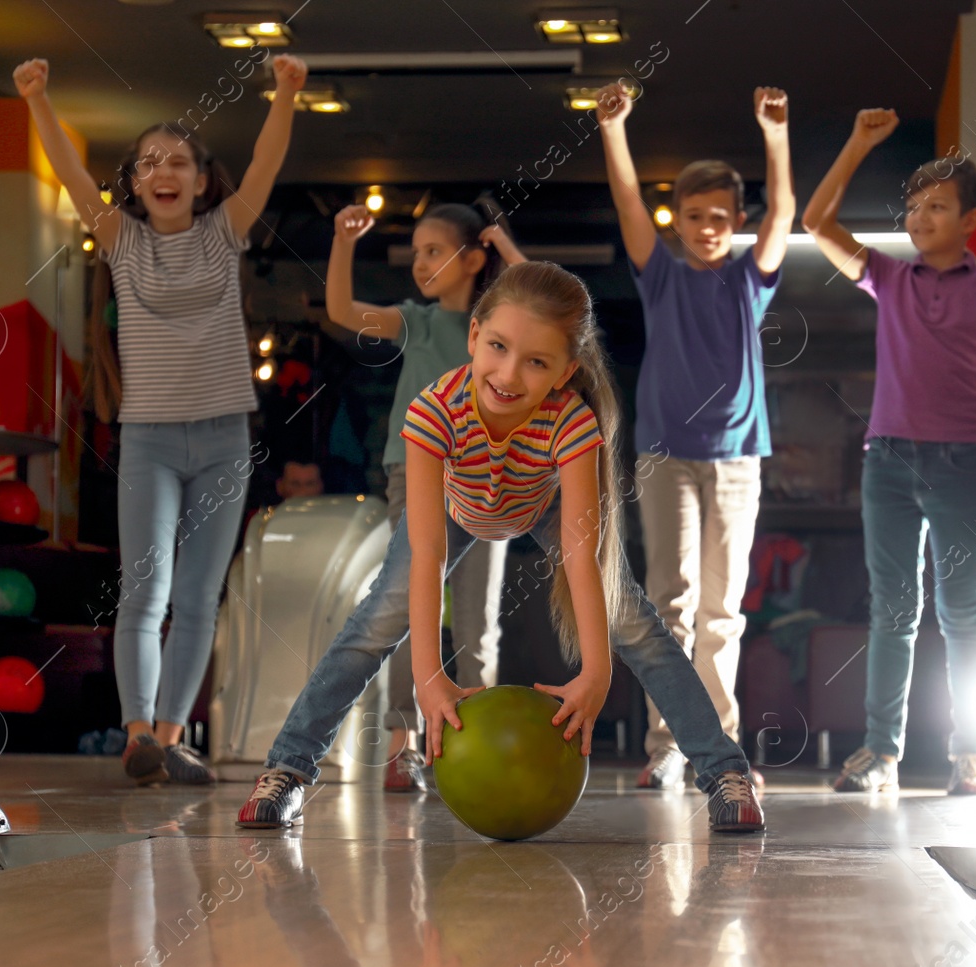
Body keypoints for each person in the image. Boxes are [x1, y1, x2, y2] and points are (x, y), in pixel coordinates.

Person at [237, 262, 765, 833]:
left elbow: (582, 554)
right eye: (498, 346)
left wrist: (596, 671)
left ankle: (724, 774)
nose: (509, 373)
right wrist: (429, 677)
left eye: (536, 361)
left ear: (566, 371)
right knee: (370, 626)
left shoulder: (571, 421)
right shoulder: (433, 413)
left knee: (638, 624)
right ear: (474, 336)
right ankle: (287, 770)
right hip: (452, 510)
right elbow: (427, 554)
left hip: (542, 506)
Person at [14, 53, 306, 787]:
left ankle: (171, 737)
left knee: (198, 597)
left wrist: (285, 96)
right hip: (147, 437)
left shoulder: (222, 233)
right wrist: (38, 101)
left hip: (222, 437)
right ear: (136, 185)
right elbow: (70, 174)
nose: (164, 171)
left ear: (202, 181)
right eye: (149, 163)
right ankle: (137, 729)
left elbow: (267, 165)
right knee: (144, 590)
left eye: (179, 161)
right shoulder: (122, 241)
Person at [801, 108, 976, 795]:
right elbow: (815, 225)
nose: (920, 219)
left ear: (970, 220)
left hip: (960, 465)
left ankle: (973, 754)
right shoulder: (889, 278)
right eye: (914, 207)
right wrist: (858, 142)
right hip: (885, 461)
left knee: (962, 609)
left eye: (937, 207)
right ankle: (881, 754)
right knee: (892, 608)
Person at [595, 83, 794, 791]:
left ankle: (721, 746)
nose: (707, 226)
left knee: (722, 610)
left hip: (738, 458)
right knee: (670, 602)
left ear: (737, 220)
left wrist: (775, 135)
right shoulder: (662, 278)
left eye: (719, 216)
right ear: (674, 220)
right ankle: (668, 744)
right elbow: (625, 202)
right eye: (693, 215)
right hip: (665, 455)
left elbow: (785, 215)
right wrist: (615, 129)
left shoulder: (750, 279)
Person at [325, 200, 524, 792]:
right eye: (416, 254)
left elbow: (549, 301)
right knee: (410, 616)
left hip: (488, 481)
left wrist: (507, 249)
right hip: (414, 475)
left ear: (473, 258)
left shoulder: (501, 328)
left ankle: (472, 746)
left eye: (433, 251)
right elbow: (340, 309)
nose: (420, 263)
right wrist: (342, 240)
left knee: (476, 623)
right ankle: (400, 749)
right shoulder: (416, 320)